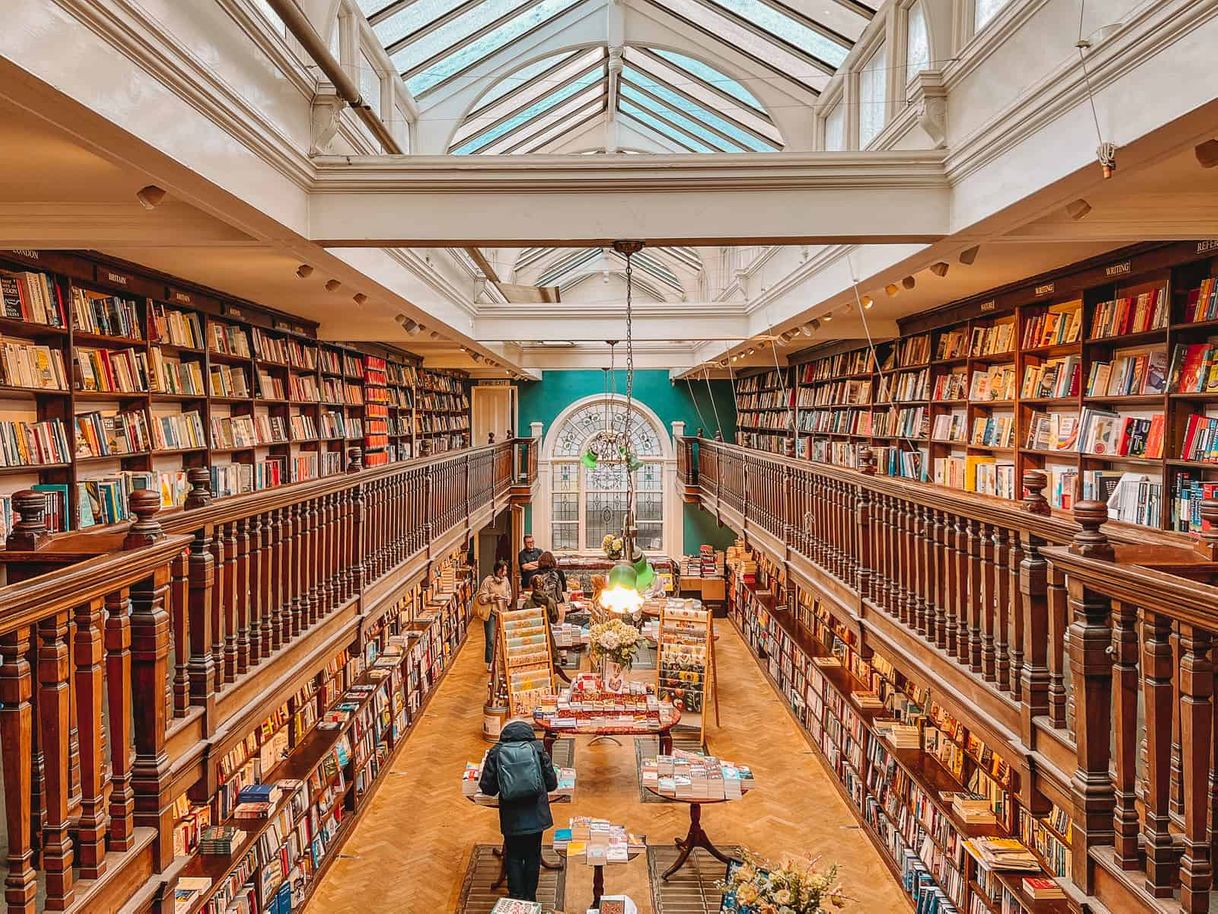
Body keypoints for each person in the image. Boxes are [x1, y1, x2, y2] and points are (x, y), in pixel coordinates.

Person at [479, 719, 558, 902]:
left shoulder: (497, 751)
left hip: (511, 816)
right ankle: (531, 897)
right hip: (536, 815)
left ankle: (516, 896)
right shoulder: (537, 748)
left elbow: (488, 788)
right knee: (533, 855)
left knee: (513, 855)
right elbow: (552, 784)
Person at [475, 559, 512, 669]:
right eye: (502, 571)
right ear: (497, 570)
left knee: (504, 638)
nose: (504, 573)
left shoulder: (505, 580)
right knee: (491, 639)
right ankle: (490, 661)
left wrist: (509, 598)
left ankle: (503, 660)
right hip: (491, 613)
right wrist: (491, 597)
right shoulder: (488, 581)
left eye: (505, 571)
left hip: (503, 612)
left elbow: (509, 591)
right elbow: (481, 598)